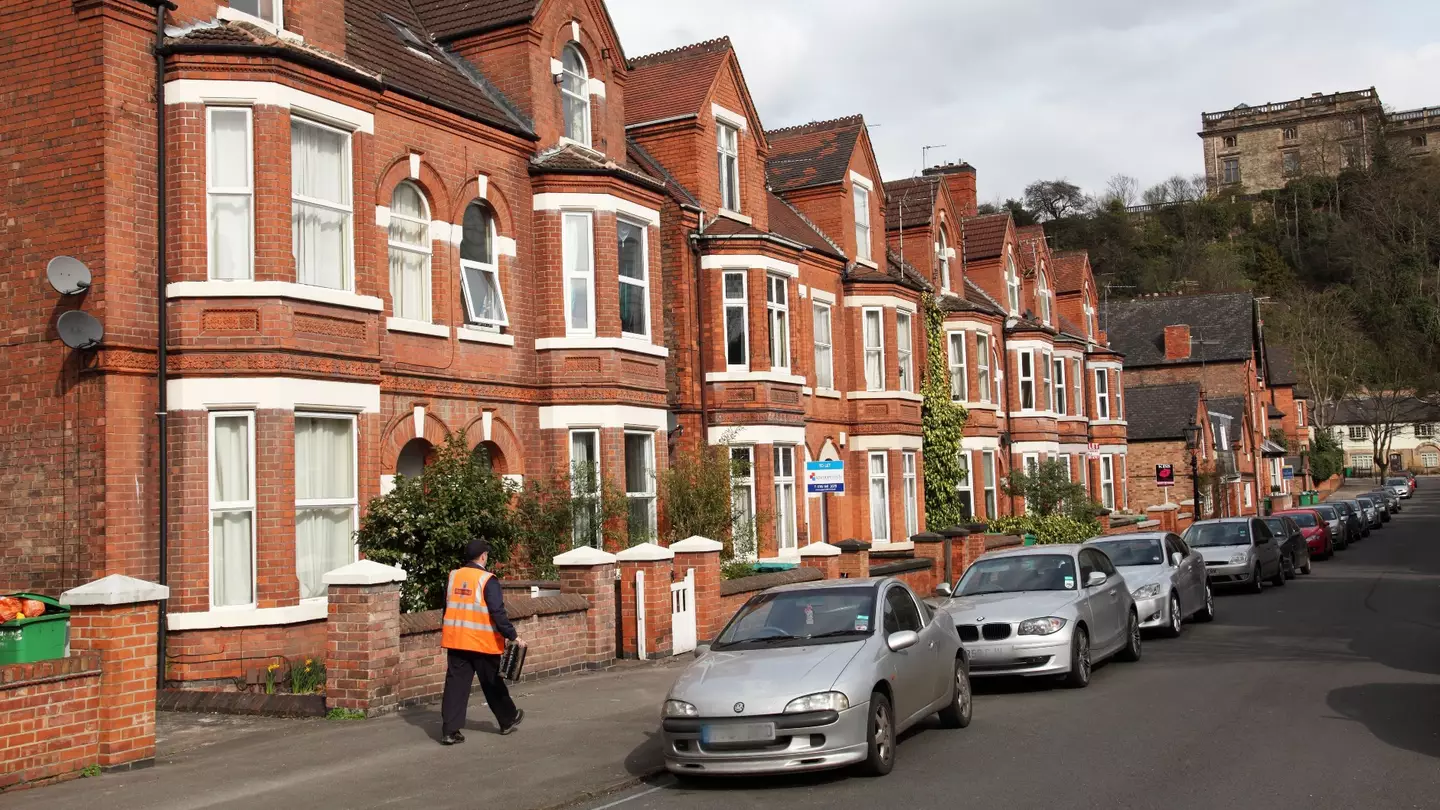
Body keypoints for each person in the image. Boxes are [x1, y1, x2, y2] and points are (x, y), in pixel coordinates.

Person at [439, 538, 522, 745]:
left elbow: (447, 607)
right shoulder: (487, 580)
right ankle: (507, 719)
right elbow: (497, 612)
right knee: (492, 683)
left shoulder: (454, 576)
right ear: (483, 556)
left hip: (457, 640)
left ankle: (450, 730)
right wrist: (512, 635)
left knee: (455, 686)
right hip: (482, 642)